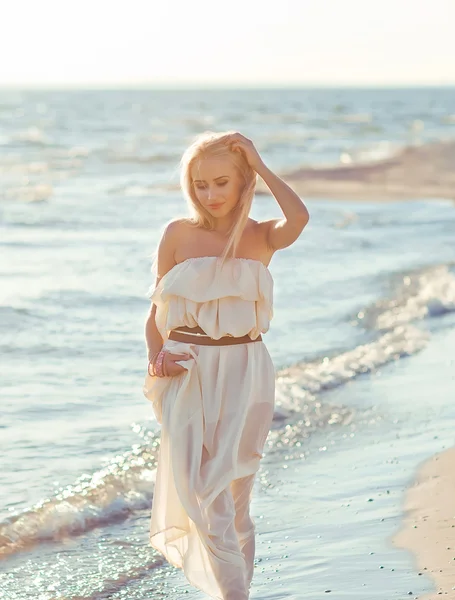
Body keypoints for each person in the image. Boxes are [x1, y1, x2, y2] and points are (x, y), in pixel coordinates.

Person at [143, 131, 309, 599]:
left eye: (221, 182)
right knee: (203, 492)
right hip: (188, 370)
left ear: (243, 182)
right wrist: (157, 359)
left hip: (246, 370)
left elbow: (299, 217)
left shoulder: (261, 235)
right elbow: (155, 311)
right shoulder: (177, 233)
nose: (210, 195)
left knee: (235, 500)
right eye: (200, 185)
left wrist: (258, 160)